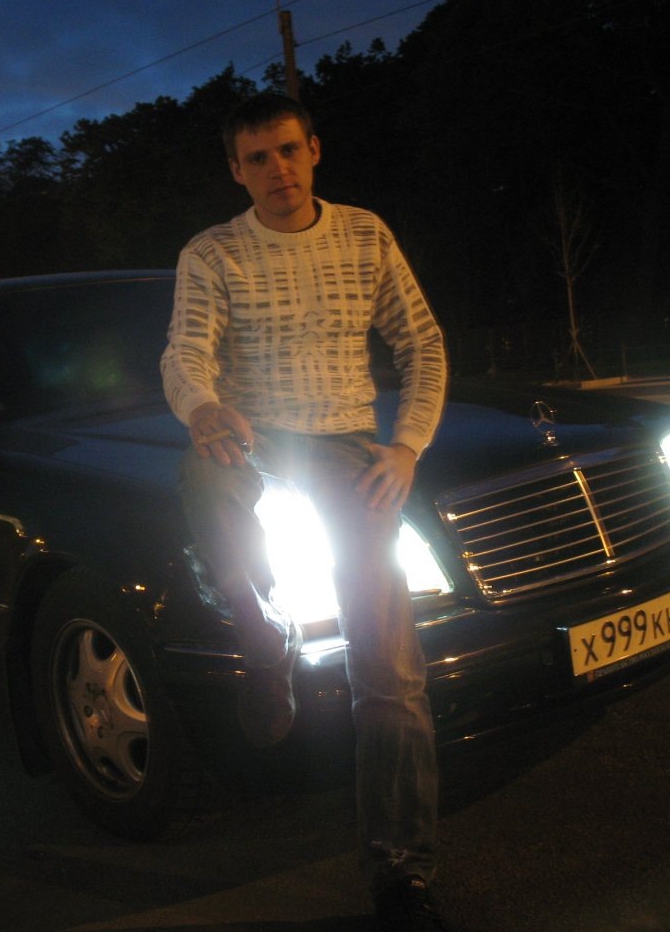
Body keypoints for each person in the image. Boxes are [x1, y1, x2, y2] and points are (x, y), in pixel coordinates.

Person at [160, 94, 450, 931]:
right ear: (236, 170)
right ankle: (262, 633)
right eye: (258, 158)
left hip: (349, 449)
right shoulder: (212, 252)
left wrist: (407, 447)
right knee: (200, 472)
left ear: (314, 150)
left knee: (391, 674)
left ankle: (402, 875)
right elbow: (185, 354)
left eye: (288, 150)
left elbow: (422, 343)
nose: (277, 169)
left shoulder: (365, 235)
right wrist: (204, 409)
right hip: (252, 440)